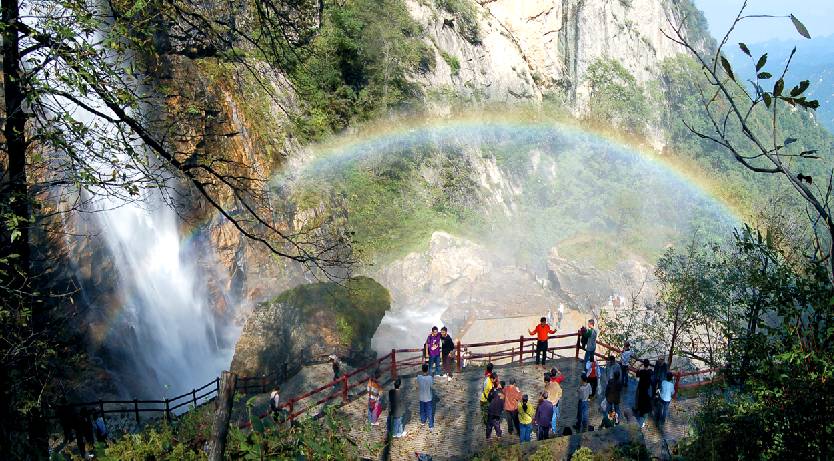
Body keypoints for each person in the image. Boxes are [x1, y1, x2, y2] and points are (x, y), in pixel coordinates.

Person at [634, 359, 654, 427]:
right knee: (645, 399)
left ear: (643, 364)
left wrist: (639, 367)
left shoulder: (642, 372)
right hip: (647, 388)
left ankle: (638, 409)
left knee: (639, 398)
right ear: (648, 365)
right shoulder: (650, 371)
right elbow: (652, 374)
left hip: (641, 387)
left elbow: (637, 375)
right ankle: (642, 413)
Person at [417, 363, 434, 430]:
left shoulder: (419, 377)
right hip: (428, 397)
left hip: (421, 397)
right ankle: (431, 425)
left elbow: (418, 379)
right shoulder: (430, 378)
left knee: (422, 410)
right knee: (429, 411)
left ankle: (423, 421)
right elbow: (432, 385)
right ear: (427, 370)